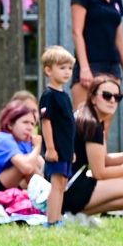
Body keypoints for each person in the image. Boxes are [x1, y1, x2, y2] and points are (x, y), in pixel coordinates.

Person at [63, 75, 123, 218]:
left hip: (66, 184)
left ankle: (77, 214)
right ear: (93, 98)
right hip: (69, 188)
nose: (112, 100)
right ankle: (74, 214)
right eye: (107, 95)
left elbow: (103, 159)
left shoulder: (88, 117)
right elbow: (99, 173)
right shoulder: (92, 124)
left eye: (117, 97)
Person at [40, 46, 76, 226]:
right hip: (56, 149)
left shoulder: (65, 96)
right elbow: (46, 122)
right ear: (48, 70)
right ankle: (52, 220)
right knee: (56, 184)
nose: (67, 72)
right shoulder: (49, 96)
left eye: (69, 68)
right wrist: (50, 148)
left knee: (62, 183)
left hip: (65, 150)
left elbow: (68, 126)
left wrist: (71, 150)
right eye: (62, 68)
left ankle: (58, 218)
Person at [0, 102, 43, 193]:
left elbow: (36, 171)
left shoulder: (23, 142)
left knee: (30, 163)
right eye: (25, 122)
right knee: (24, 167)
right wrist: (37, 146)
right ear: (10, 125)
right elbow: (27, 168)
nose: (30, 128)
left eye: (32, 124)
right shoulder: (4, 139)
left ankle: (46, 197)